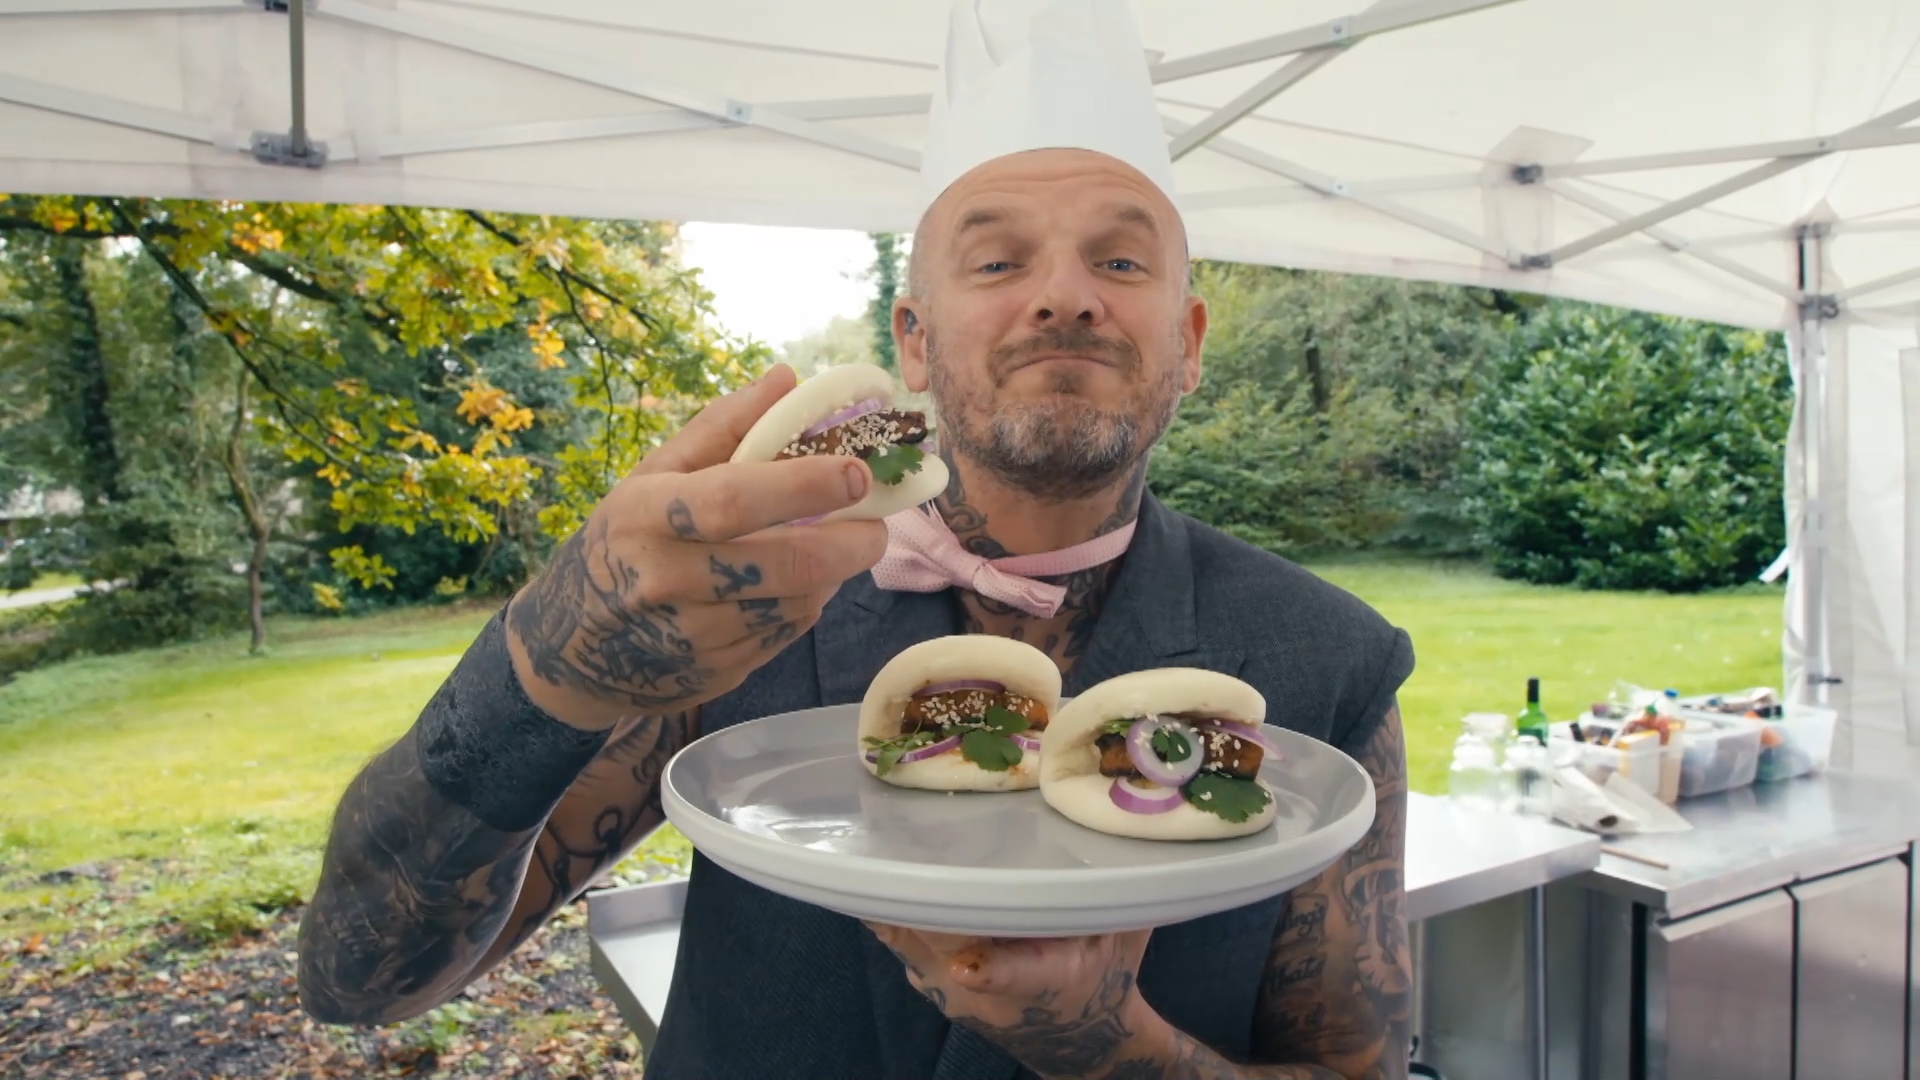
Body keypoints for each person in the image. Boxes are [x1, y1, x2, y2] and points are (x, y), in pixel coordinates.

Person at [296, 2, 1416, 1077]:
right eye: (996, 261)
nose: (1066, 297)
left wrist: (1108, 1047)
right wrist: (543, 664)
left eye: (1121, 262)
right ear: (913, 342)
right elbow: (361, 980)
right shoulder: (733, 612)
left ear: (1190, 340)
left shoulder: (1329, 661)